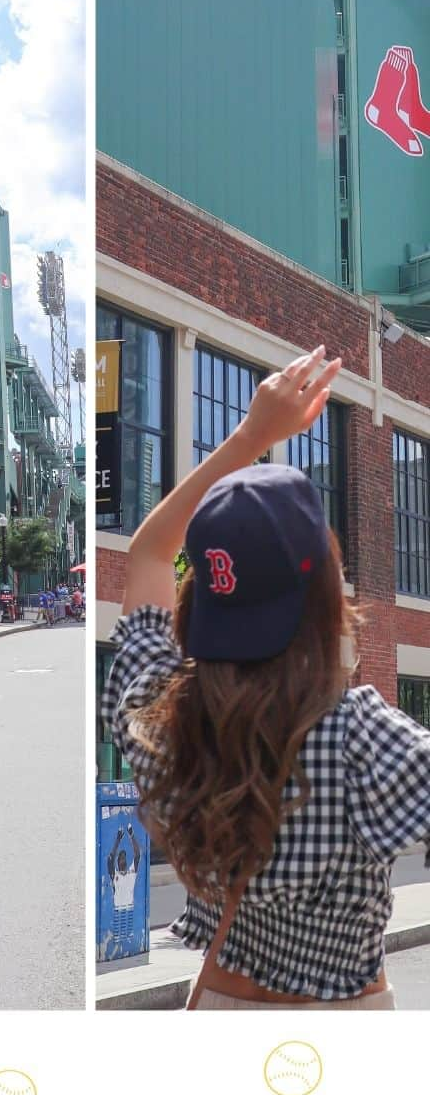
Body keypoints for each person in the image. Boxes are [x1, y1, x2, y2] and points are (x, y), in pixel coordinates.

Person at [103, 345, 430, 1009]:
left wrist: (249, 438)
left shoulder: (157, 711)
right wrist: (259, 435)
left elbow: (147, 552)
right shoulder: (364, 740)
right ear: (324, 597)